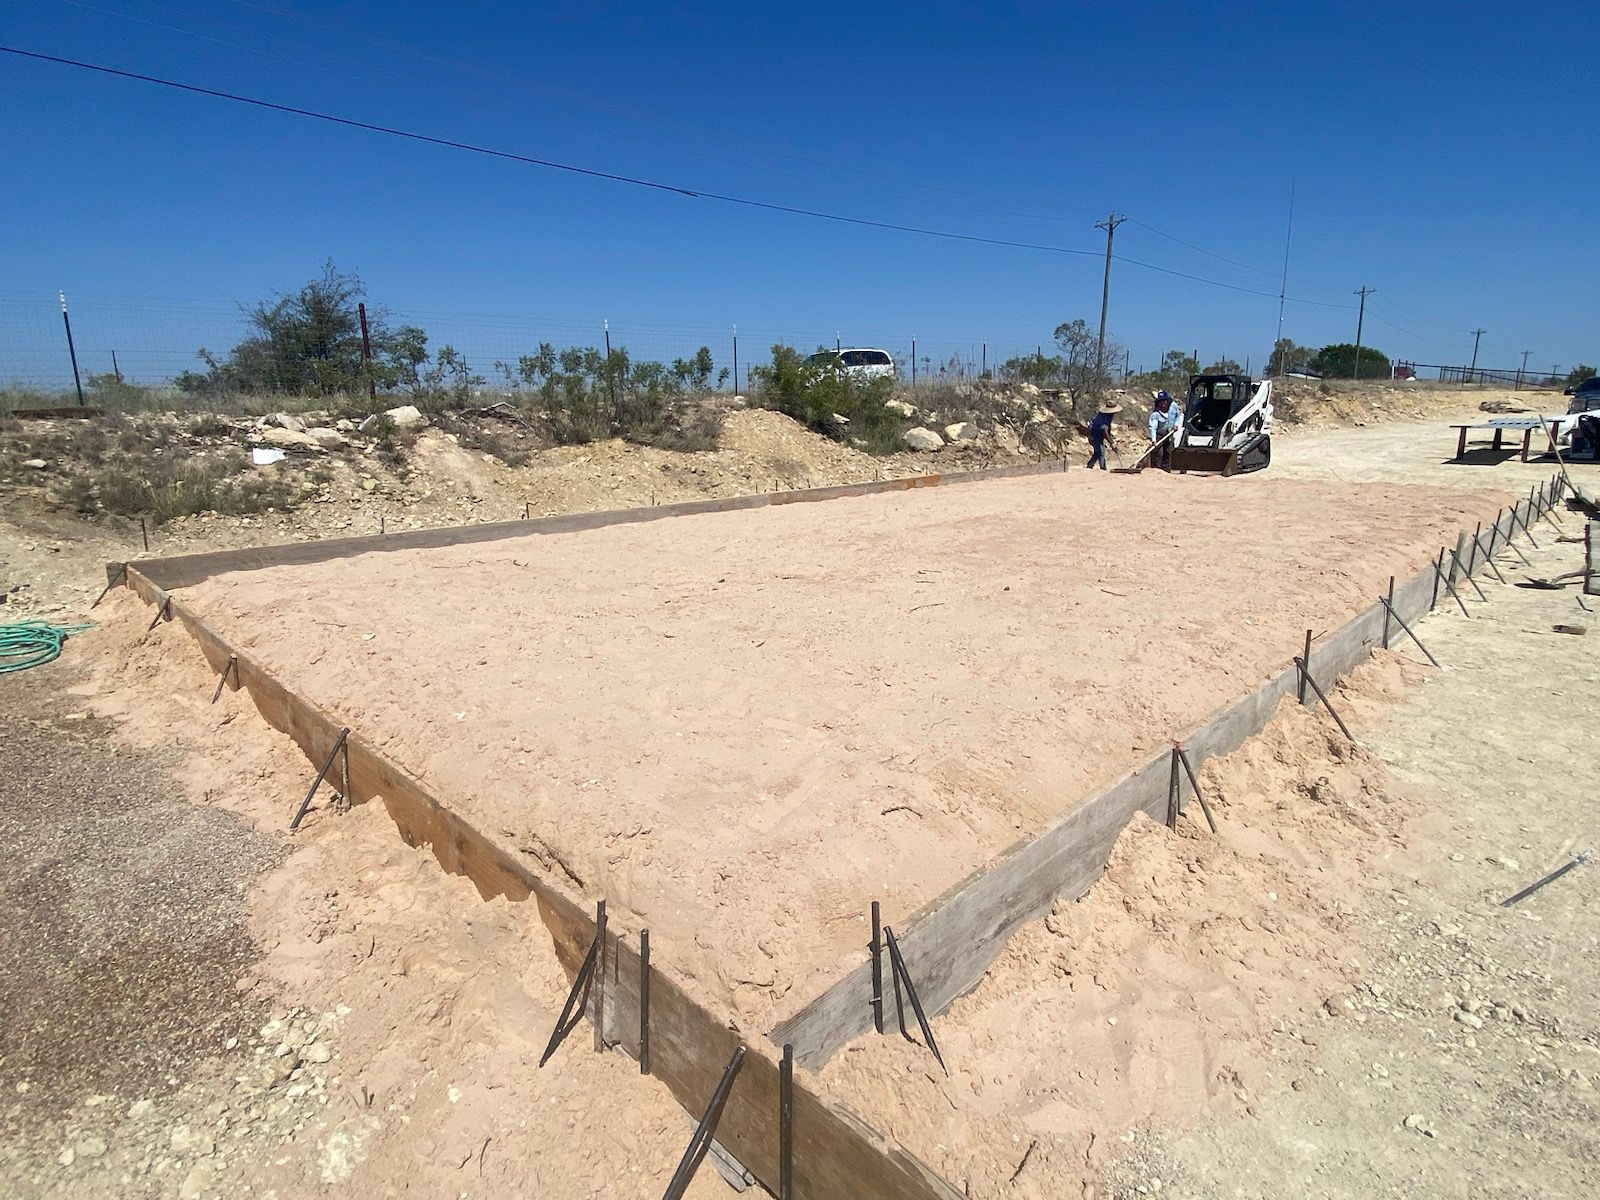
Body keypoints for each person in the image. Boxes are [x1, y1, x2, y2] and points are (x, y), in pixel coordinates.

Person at [1147, 390, 1181, 470]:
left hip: (1169, 433)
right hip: (1159, 434)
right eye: (1160, 402)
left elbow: (1178, 416)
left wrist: (1176, 425)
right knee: (1159, 453)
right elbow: (1153, 427)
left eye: (1164, 401)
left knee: (1168, 453)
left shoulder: (1173, 406)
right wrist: (1154, 440)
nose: (1163, 404)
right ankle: (1157, 470)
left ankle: (1166, 471)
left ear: (1167, 401)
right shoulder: (1155, 414)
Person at [1086, 398, 1120, 469]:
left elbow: (1108, 429)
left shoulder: (1109, 416)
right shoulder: (1104, 416)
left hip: (1099, 433)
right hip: (1094, 434)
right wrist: (1111, 442)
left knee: (1097, 452)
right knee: (1101, 452)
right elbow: (1104, 431)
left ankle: (1089, 465)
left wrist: (1111, 439)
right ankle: (1103, 469)